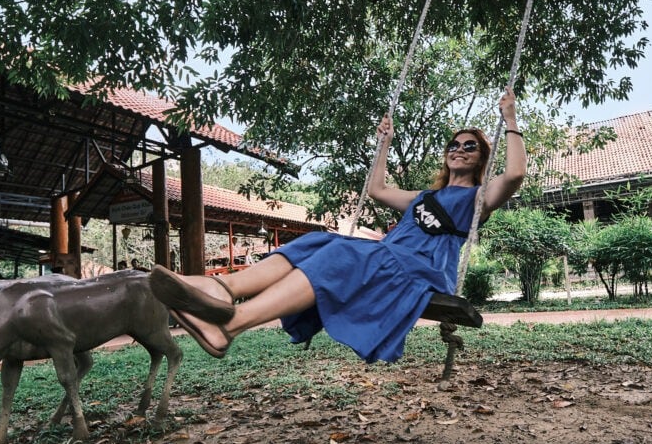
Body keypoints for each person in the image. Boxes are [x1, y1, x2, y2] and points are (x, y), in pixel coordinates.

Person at [150, 88, 526, 362]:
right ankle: (222, 288)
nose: (459, 149)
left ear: (481, 158)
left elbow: (514, 175)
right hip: (389, 258)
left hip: (421, 272)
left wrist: (509, 120)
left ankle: (231, 326)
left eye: (469, 146)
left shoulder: (478, 199)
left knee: (342, 252)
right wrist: (384, 144)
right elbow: (377, 190)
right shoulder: (424, 197)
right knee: (316, 242)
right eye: (453, 145)